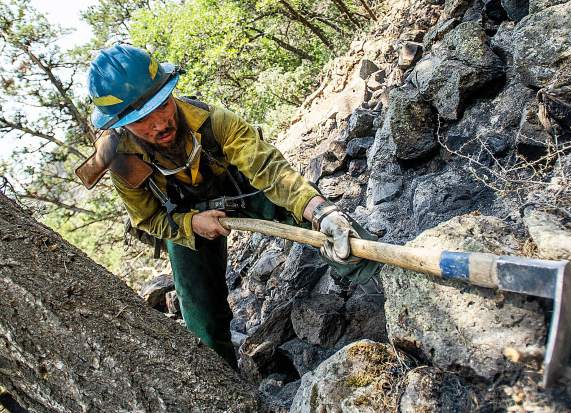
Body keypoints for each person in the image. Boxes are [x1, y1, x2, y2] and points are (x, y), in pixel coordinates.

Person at [83, 44, 377, 368]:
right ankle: (226, 386)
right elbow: (149, 219)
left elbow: (270, 170)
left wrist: (321, 212)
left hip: (242, 191)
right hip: (186, 223)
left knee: (327, 222)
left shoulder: (213, 121)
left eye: (162, 105)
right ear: (121, 124)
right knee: (199, 313)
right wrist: (193, 223)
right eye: (142, 120)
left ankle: (380, 277)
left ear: (171, 91)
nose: (159, 124)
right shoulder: (123, 163)